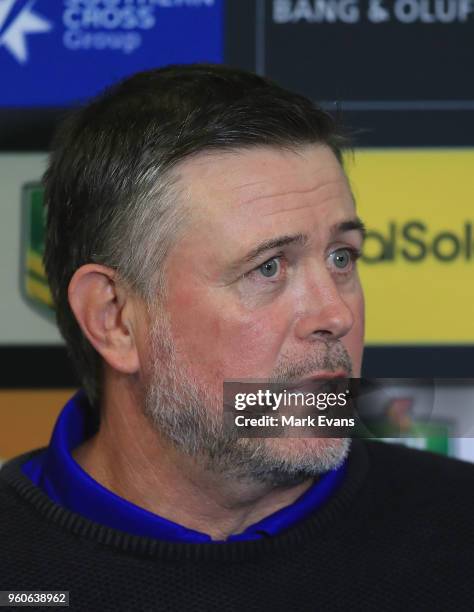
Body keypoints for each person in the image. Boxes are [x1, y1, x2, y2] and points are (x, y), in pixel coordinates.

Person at [0, 64, 472, 611]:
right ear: (115, 319)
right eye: (268, 268)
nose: (335, 313)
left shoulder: (459, 527)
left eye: (342, 257)